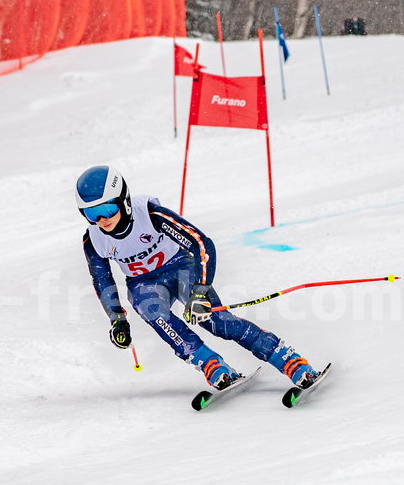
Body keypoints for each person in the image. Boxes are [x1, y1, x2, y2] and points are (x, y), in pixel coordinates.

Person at [76, 165, 320, 391]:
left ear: (124, 201)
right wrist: (117, 319)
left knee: (217, 323)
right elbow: (102, 280)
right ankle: (211, 365)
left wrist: (200, 291)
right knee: (151, 311)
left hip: (181, 268)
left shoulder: (150, 215)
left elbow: (201, 243)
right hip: (144, 283)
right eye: (91, 213)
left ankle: (289, 360)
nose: (102, 220)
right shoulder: (94, 240)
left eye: (108, 209)